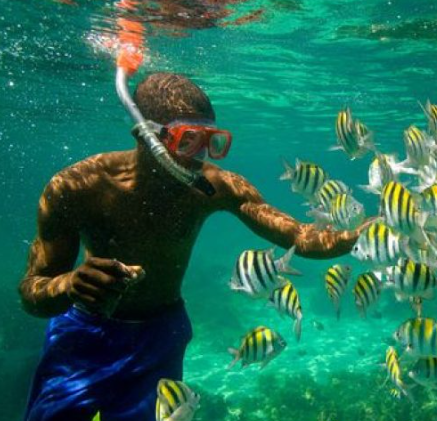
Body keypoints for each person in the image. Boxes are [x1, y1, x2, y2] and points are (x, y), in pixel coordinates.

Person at [18, 72, 360, 421]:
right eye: (188, 141)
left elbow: (299, 237)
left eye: (211, 143)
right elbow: (32, 292)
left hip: (161, 335)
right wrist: (70, 285)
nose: (199, 158)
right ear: (146, 135)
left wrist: (359, 235)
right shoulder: (77, 186)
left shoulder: (215, 186)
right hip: (83, 335)